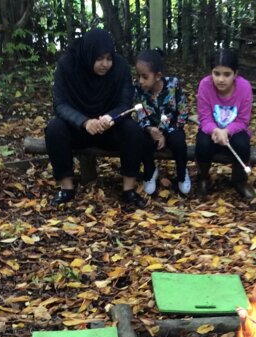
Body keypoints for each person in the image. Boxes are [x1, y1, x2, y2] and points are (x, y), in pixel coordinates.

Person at [45, 28, 150, 209]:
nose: (105, 64)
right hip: (78, 129)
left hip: (109, 128)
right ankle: (66, 188)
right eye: (99, 58)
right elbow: (60, 104)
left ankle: (129, 190)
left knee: (133, 130)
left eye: (109, 58)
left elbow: (126, 102)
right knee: (54, 129)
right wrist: (84, 122)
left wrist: (111, 117)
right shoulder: (68, 65)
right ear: (89, 54)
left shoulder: (120, 67)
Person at [195, 48, 254, 201]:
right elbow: (204, 117)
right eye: (217, 73)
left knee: (242, 144)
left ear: (235, 74)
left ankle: (240, 181)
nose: (221, 79)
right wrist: (215, 130)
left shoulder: (245, 87)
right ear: (211, 73)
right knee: (202, 144)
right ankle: (203, 178)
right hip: (211, 129)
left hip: (234, 130)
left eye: (227, 74)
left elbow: (243, 121)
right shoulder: (205, 85)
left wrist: (226, 131)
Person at [134, 48, 190, 197]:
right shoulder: (138, 90)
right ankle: (150, 170)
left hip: (172, 127)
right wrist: (149, 129)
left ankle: (182, 172)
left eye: (145, 77)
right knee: (141, 140)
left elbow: (183, 111)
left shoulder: (173, 85)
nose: (140, 81)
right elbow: (139, 113)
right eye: (138, 76)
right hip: (150, 130)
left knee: (179, 141)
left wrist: (164, 132)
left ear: (158, 76)